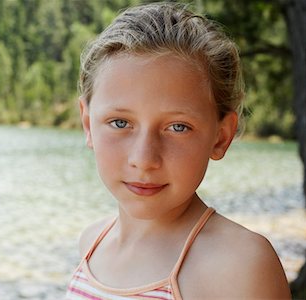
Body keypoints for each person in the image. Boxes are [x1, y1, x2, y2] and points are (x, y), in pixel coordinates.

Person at [66, 2, 291, 299]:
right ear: (88, 124)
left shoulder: (240, 266)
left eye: (178, 127)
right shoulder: (92, 243)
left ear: (221, 136)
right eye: (120, 122)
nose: (144, 160)